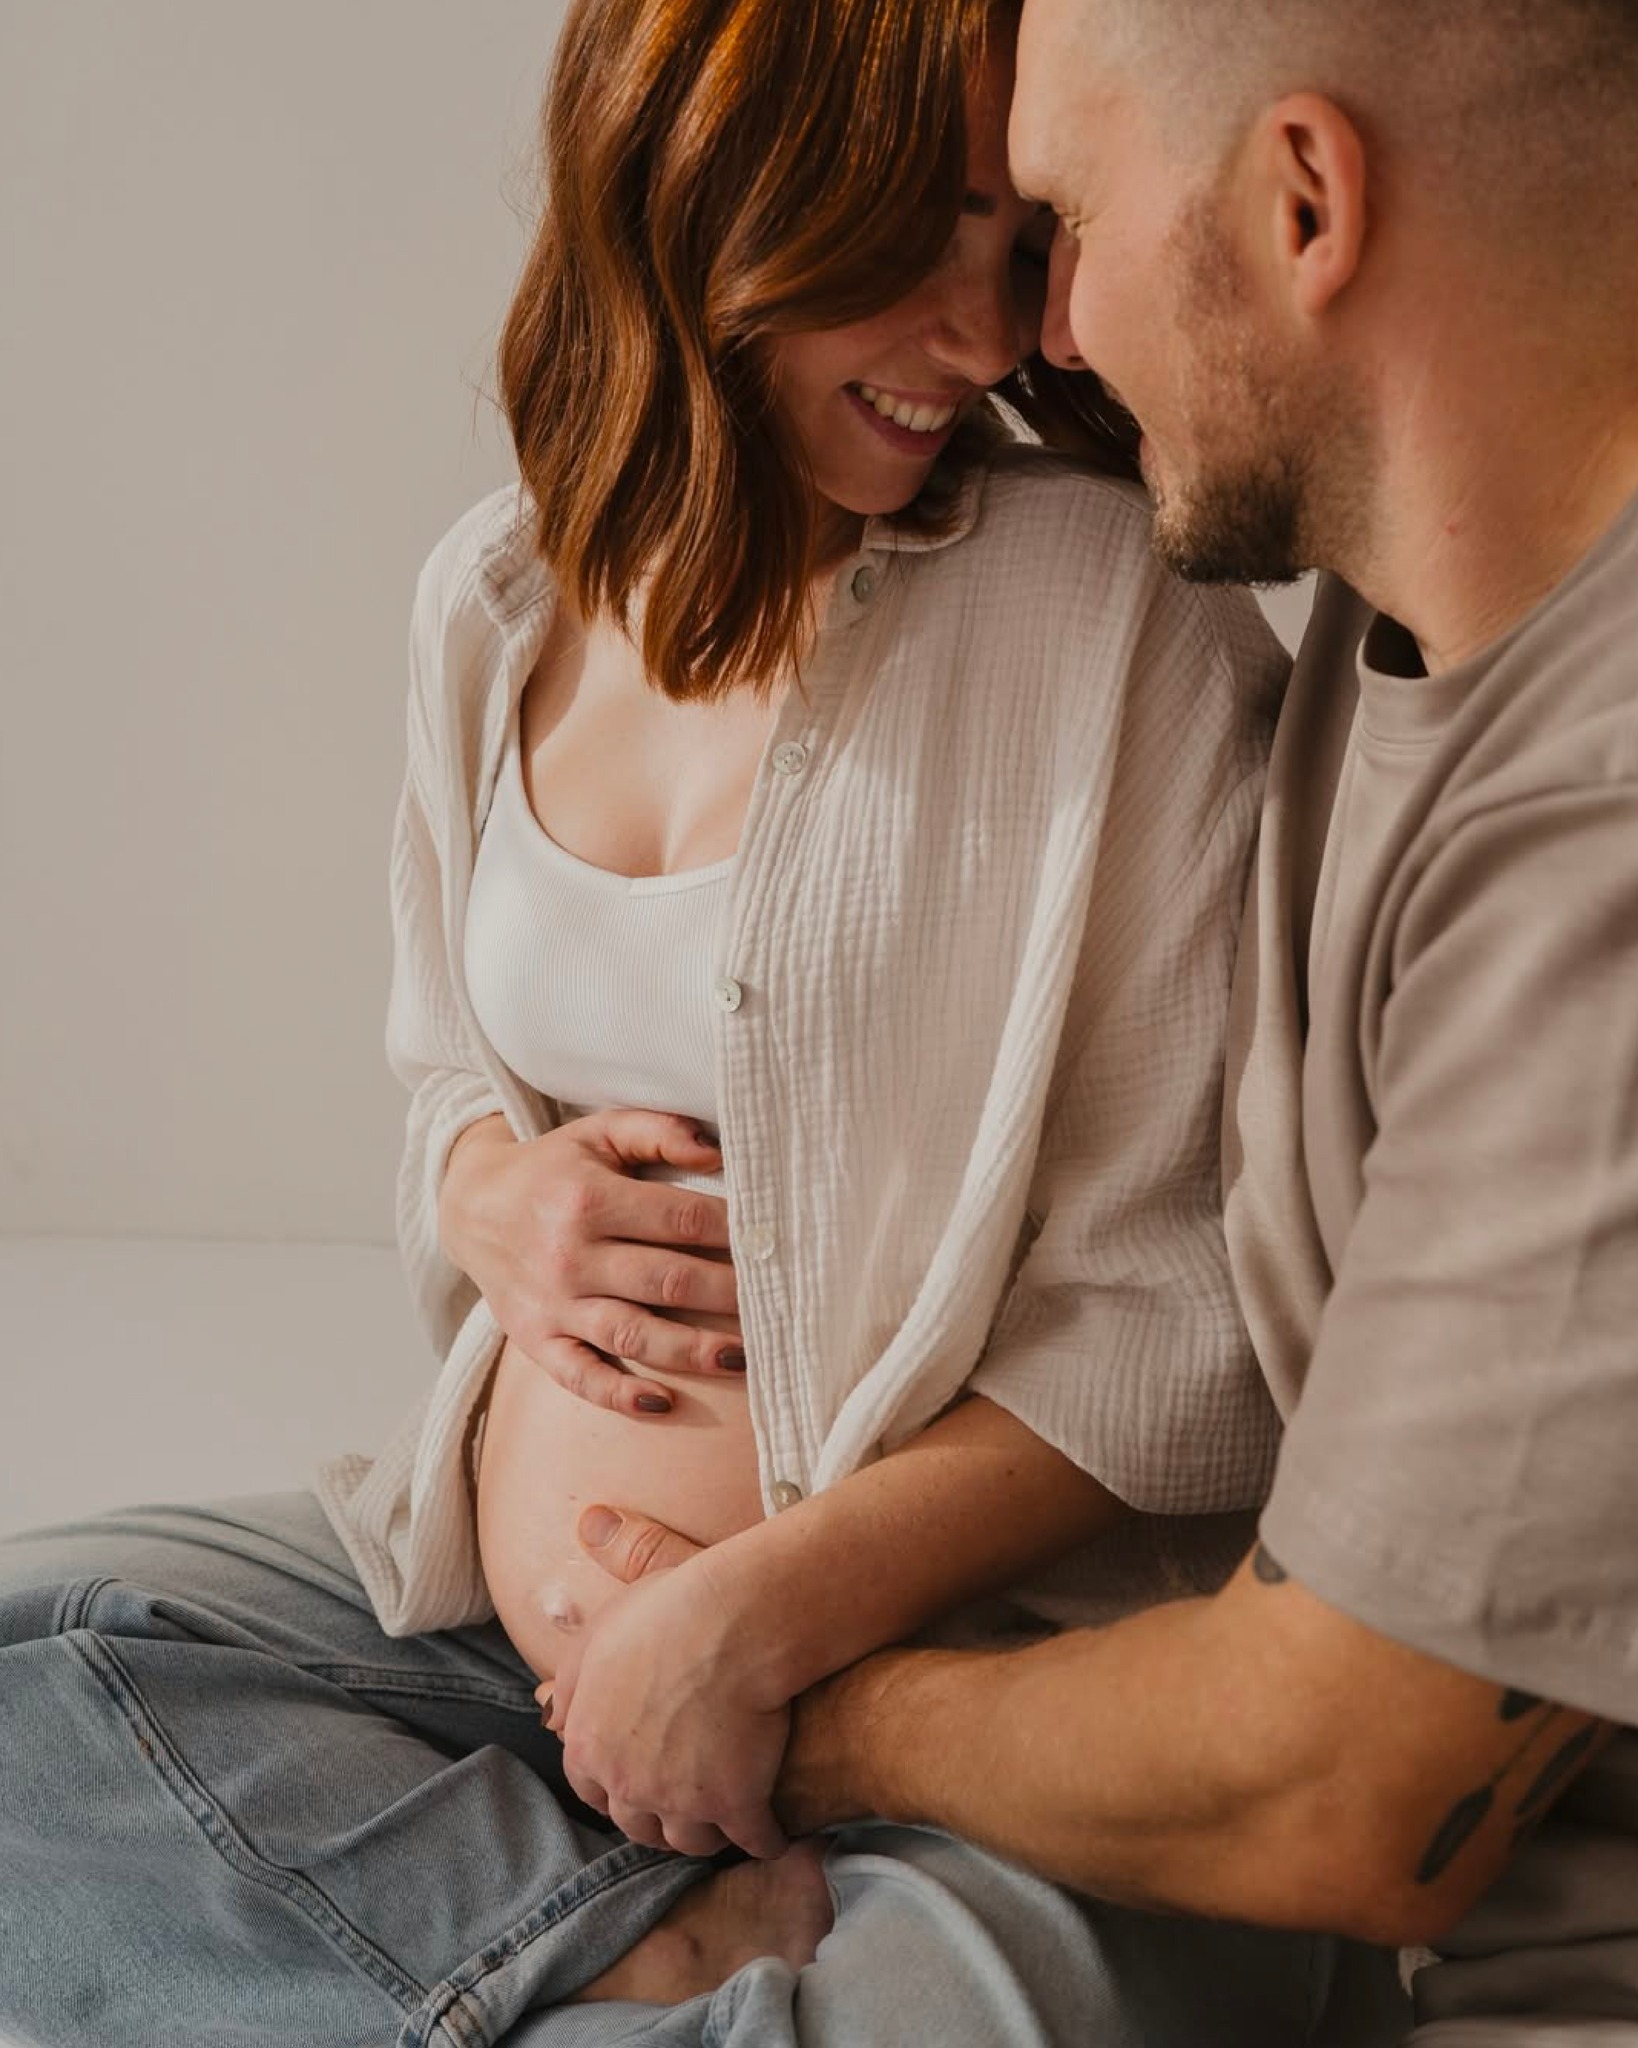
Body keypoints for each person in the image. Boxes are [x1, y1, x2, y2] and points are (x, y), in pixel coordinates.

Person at [0, 3, 1372, 2044]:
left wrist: (751, 1618)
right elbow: (444, 1072)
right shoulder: (496, 602)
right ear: (717, 171)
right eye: (914, 232)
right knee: (20, 1689)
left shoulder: (1110, 620)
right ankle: (602, 1949)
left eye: (1019, 243)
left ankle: (502, 1956)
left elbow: (1182, 1322)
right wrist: (485, 1190)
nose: (987, 334)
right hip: (506, 1659)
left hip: (967, 1713)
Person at [565, 1, 1637, 2040]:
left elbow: (1339, 1789)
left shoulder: (1601, 843)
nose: (1032, 338)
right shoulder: (1408, 623)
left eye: (1059, 217)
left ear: (1304, 204)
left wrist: (795, 1709)